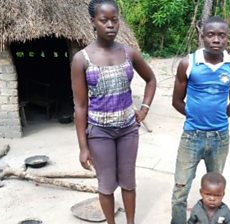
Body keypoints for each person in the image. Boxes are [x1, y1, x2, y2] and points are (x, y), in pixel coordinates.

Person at [71, 0, 156, 223]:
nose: (110, 25)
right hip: (99, 132)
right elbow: (80, 106)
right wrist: (83, 146)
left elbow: (151, 79)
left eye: (115, 20)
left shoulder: (129, 53)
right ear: (93, 22)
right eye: (104, 20)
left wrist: (144, 109)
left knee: (128, 182)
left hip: (128, 128)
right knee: (106, 184)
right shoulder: (82, 59)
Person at [171, 16, 230, 224]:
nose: (216, 40)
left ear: (228, 38)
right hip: (192, 136)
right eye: (211, 35)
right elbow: (176, 101)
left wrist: (216, 120)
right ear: (202, 37)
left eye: (222, 35)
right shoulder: (188, 63)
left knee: (215, 187)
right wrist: (197, 117)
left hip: (220, 138)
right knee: (180, 188)